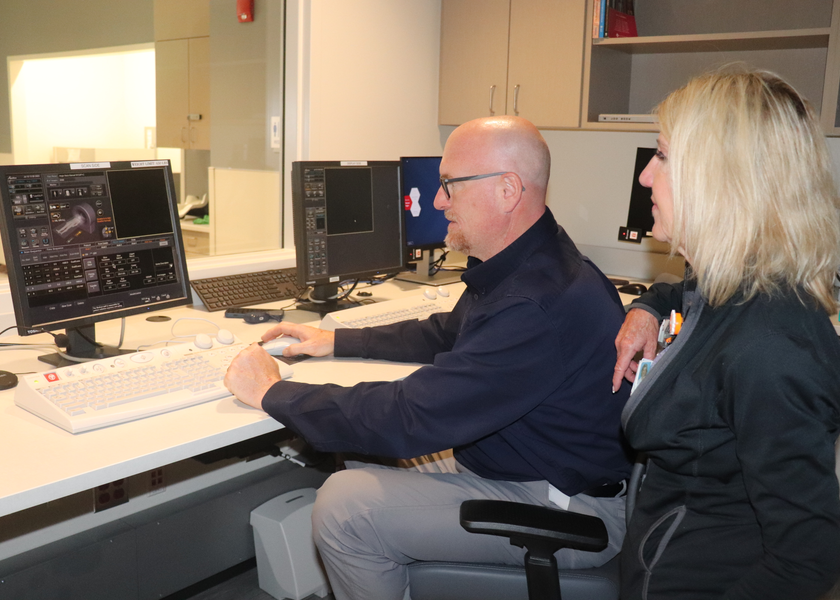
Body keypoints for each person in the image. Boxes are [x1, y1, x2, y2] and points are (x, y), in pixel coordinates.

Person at [225, 116, 632, 600]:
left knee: (344, 508)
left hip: (564, 506)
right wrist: (338, 340)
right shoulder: (526, 261)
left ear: (507, 190)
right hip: (522, 464)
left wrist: (273, 392)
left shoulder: (534, 304)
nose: (438, 201)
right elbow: (448, 333)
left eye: (450, 185)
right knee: (359, 452)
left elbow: (409, 416)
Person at [612, 68, 840, 600]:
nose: (645, 176)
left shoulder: (770, 346)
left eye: (662, 156)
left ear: (720, 179)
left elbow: (806, 557)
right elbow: (682, 292)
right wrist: (647, 307)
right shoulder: (733, 287)